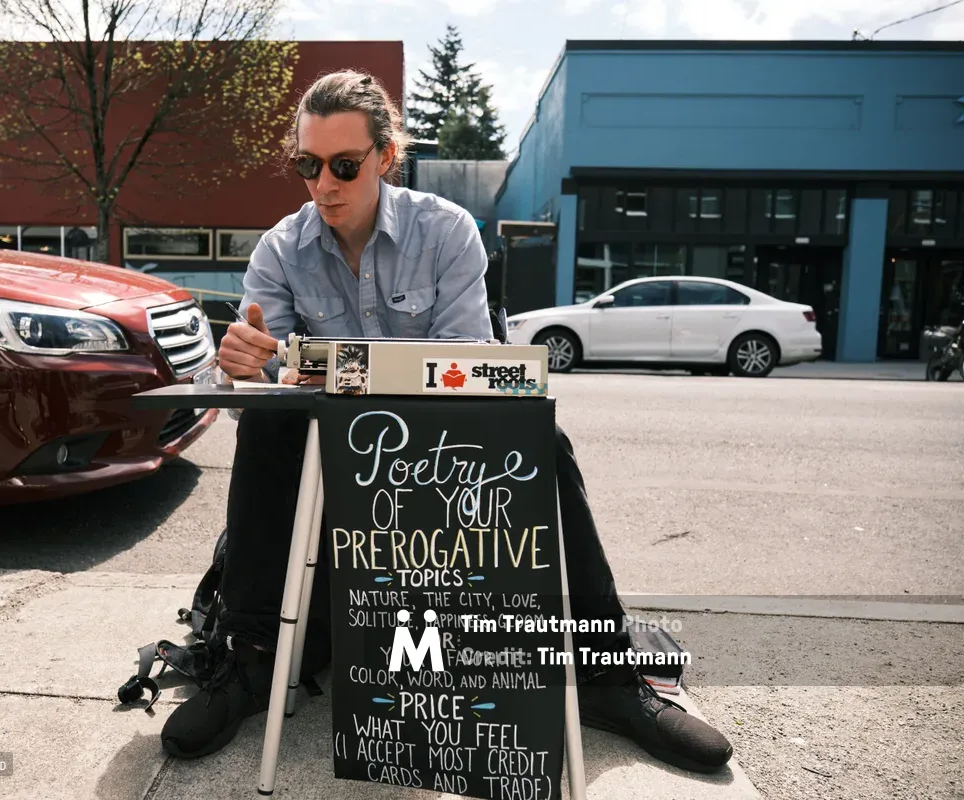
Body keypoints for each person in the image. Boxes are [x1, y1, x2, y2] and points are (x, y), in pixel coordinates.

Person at [159, 70, 733, 775]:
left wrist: (329, 372)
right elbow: (263, 371)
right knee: (263, 427)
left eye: (344, 165)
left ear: (387, 157)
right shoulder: (281, 247)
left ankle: (607, 675)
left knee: (541, 439)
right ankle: (248, 660)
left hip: (441, 443)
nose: (323, 184)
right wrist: (242, 363)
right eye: (307, 165)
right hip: (332, 446)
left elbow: (466, 371)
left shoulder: (447, 230)